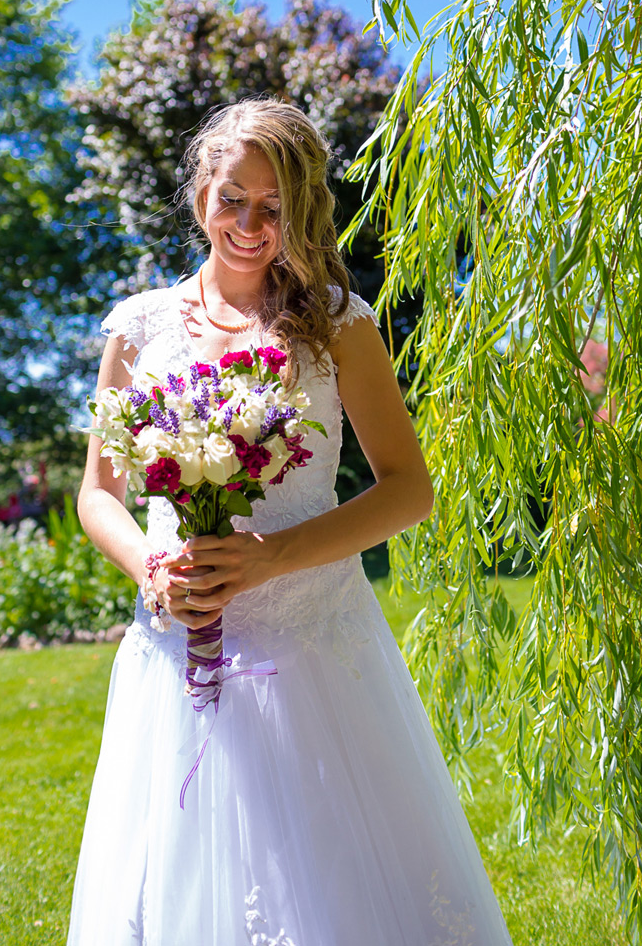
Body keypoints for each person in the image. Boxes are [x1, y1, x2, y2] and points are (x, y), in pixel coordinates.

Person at [68, 99, 513, 946]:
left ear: (302, 211)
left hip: (315, 648)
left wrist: (273, 558)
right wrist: (149, 572)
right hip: (175, 646)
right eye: (232, 197)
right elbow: (100, 494)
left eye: (273, 207)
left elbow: (407, 489)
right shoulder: (139, 328)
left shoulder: (337, 324)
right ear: (202, 191)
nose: (248, 223)